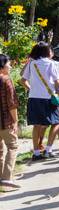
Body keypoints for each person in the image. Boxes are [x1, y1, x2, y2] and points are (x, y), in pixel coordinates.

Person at [20, 42, 59, 160]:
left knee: (36, 125)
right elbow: (57, 81)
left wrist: (31, 89)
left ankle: (36, 153)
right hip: (48, 98)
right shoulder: (51, 64)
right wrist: (58, 92)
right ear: (46, 52)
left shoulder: (31, 64)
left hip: (34, 98)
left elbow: (22, 80)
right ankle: (48, 150)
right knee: (56, 122)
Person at [0, 54, 20, 192]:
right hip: (5, 121)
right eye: (8, 63)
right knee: (13, 147)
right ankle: (6, 178)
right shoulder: (6, 80)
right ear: (2, 66)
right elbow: (12, 104)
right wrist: (16, 121)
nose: (10, 66)